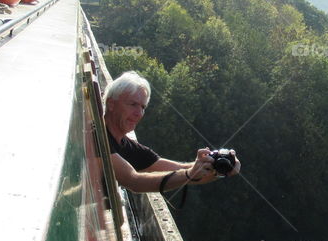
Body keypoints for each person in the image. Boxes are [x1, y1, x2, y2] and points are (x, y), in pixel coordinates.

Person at [103, 71, 240, 193]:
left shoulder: (123, 143)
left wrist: (218, 166)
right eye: (133, 104)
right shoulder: (99, 139)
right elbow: (135, 182)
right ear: (111, 104)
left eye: (143, 107)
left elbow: (174, 170)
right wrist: (189, 173)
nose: (139, 113)